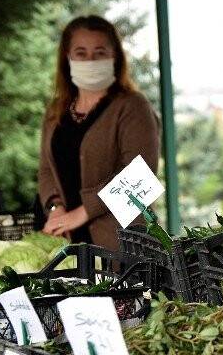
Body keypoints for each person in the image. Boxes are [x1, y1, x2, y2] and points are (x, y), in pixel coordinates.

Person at [38, 16, 159, 251]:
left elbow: (141, 176)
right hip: (69, 246)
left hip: (125, 247)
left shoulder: (133, 105)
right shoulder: (56, 111)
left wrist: (83, 213)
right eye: (81, 53)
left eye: (100, 52)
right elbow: (45, 169)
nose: (90, 60)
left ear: (114, 57)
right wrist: (56, 209)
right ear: (67, 58)